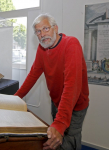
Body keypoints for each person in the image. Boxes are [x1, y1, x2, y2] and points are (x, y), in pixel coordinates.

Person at [14, 14, 89, 150]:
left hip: (75, 105)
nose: (42, 34)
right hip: (56, 101)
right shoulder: (42, 49)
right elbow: (33, 75)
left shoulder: (71, 44)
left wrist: (60, 122)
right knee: (56, 140)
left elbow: (71, 86)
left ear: (55, 28)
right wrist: (16, 98)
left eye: (46, 28)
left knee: (70, 139)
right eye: (38, 31)